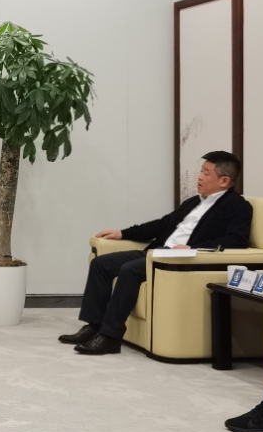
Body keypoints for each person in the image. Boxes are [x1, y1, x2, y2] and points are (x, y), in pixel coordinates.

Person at [61, 151, 252, 355]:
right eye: (201, 171)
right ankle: (94, 326)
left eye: (206, 173)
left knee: (130, 270)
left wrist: (194, 248)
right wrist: (123, 233)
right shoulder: (194, 202)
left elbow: (236, 240)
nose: (199, 177)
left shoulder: (237, 206)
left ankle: (110, 337)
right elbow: (162, 224)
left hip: (175, 260)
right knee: (101, 264)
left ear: (224, 181)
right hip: (156, 252)